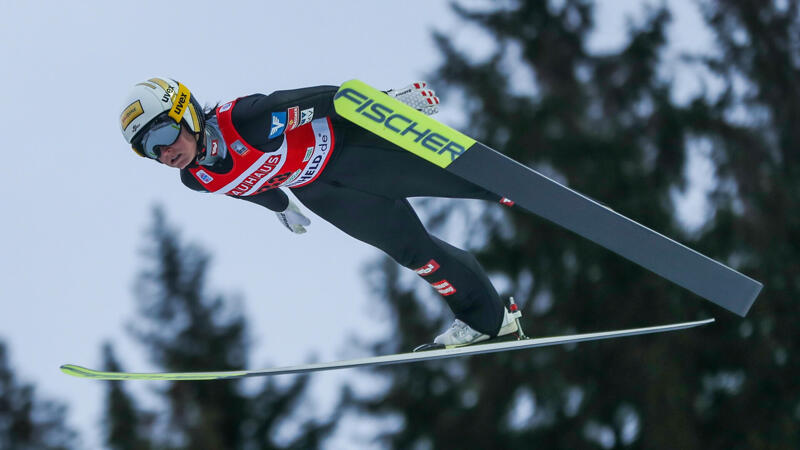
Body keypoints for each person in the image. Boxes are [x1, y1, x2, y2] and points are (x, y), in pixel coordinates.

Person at [118, 77, 521, 347]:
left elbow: (326, 99)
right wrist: (282, 207)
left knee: (460, 177)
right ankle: (489, 321)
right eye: (148, 149)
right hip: (328, 196)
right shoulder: (197, 178)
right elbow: (247, 188)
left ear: (185, 112)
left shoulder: (249, 121)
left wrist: (385, 108)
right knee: (418, 256)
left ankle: (528, 186)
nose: (164, 152)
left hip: (354, 154)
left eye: (163, 134)